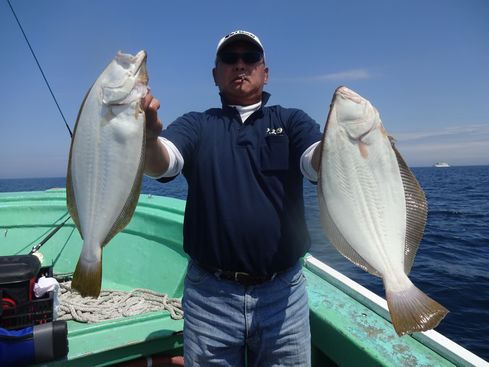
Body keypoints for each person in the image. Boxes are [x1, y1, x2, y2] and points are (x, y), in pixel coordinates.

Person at [142, 30, 322, 366]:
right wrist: (147, 140)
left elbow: (317, 161)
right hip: (210, 295)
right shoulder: (197, 124)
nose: (240, 65)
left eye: (250, 58)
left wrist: (346, 142)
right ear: (216, 74)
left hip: (283, 292)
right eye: (229, 59)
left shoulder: (291, 121)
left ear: (265, 72)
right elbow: (162, 163)